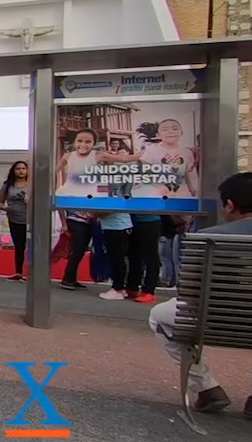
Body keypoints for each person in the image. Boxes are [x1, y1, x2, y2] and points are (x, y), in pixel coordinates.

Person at [147, 172, 252, 418]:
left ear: (230, 205)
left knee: (159, 316)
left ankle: (207, 388)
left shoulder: (210, 238)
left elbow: (189, 291)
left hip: (218, 321)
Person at [0, 161, 30, 281]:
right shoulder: (8, 185)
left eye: (23, 168)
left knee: (31, 247)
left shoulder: (32, 184)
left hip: (31, 220)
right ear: (14, 171)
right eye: (18, 169)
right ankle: (18, 273)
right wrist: (3, 207)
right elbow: (0, 201)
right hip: (14, 219)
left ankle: (30, 273)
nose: (21, 171)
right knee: (19, 246)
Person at [124, 212, 162, 303]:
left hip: (149, 221)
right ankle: (132, 286)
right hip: (133, 221)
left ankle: (149, 290)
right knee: (134, 255)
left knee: (150, 256)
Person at [96, 211, 133, 300]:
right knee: (117, 258)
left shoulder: (113, 197)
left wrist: (93, 213)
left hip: (116, 228)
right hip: (118, 226)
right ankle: (120, 288)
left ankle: (117, 288)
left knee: (116, 259)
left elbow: (107, 211)